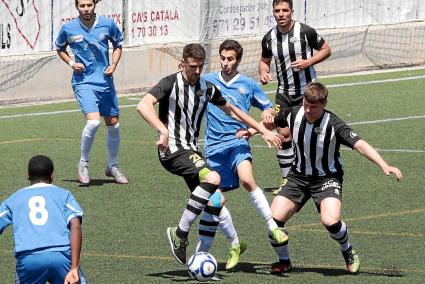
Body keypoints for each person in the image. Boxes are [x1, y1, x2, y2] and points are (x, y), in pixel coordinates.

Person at [136, 43, 283, 265]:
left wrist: (262, 130)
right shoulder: (169, 82)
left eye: (200, 67)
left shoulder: (207, 87)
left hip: (191, 150)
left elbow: (234, 111)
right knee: (214, 178)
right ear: (182, 64)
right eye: (192, 66)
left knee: (216, 200)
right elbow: (143, 105)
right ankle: (180, 233)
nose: (196, 72)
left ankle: (234, 243)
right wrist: (163, 129)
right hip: (174, 150)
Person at [238, 82, 403, 274]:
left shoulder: (334, 124)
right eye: (305, 104)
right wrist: (250, 132)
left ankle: (348, 251)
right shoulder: (294, 112)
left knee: (330, 220)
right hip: (298, 176)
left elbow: (360, 144)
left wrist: (384, 164)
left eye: (313, 106)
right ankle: (284, 261)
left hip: (327, 178)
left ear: (324, 104)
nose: (307, 109)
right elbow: (272, 122)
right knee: (274, 222)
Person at [196, 39, 287, 270]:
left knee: (248, 179)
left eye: (231, 59)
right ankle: (235, 243)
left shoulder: (248, 84)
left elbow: (269, 108)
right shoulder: (207, 81)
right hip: (214, 148)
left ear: (238, 60)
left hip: (238, 143)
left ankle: (273, 226)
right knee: (215, 201)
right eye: (223, 58)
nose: (226, 63)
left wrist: (264, 119)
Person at [259, 0, 331, 194]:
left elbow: (326, 49)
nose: (281, 14)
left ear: (292, 11)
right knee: (284, 135)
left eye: (285, 10)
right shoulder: (269, 38)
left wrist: (308, 62)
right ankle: (287, 180)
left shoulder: (305, 32)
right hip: (284, 93)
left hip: (307, 93)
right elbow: (264, 61)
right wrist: (263, 73)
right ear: (273, 13)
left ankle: (317, 174)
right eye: (277, 11)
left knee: (309, 134)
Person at [56, 0, 128, 185]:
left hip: (105, 82)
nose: (86, 9)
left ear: (94, 4)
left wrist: (113, 65)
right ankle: (83, 163)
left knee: (114, 125)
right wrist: (71, 63)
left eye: (89, 5)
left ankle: (112, 166)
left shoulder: (108, 24)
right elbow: (60, 47)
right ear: (76, 6)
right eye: (82, 5)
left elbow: (118, 44)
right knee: (94, 122)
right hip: (83, 82)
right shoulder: (69, 28)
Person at [0, 155, 86, 283]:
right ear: (51, 176)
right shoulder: (64, 195)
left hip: (29, 259)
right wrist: (74, 267)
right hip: (61, 257)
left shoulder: (14, 199)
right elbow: (75, 225)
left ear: (28, 175)